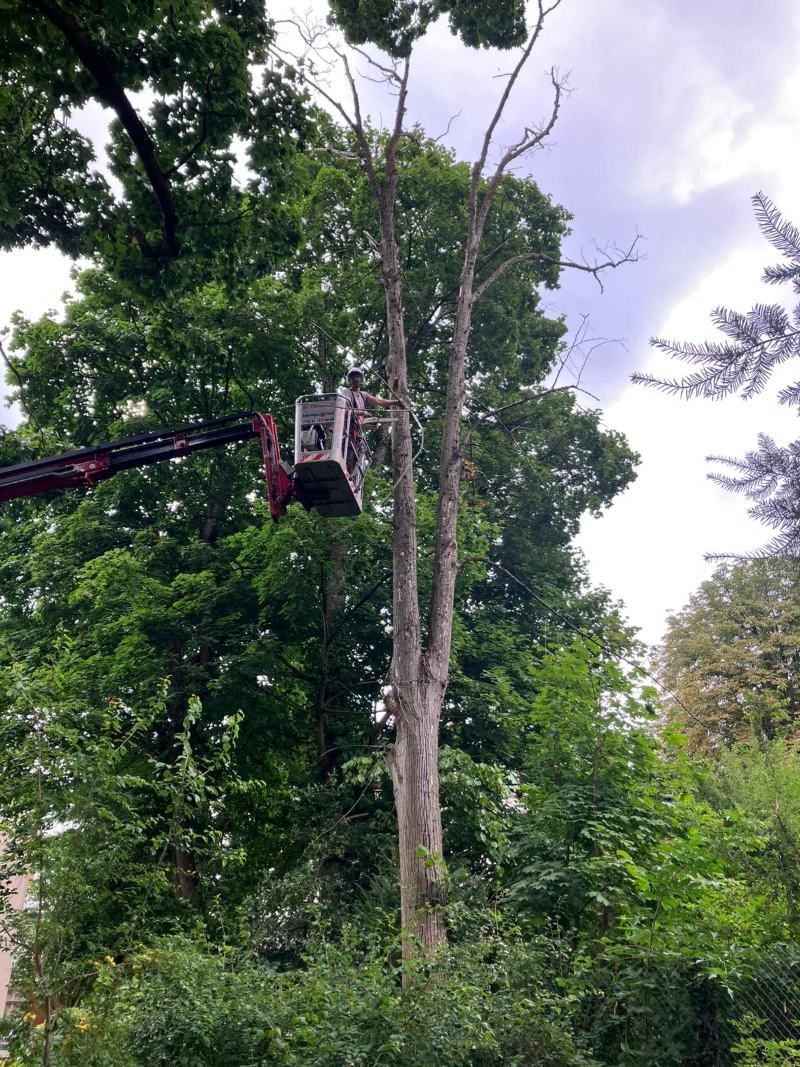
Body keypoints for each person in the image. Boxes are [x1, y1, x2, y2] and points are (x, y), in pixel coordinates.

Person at [339, 367, 398, 483]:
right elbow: (343, 410)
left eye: (358, 377)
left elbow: (379, 401)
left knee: (357, 454)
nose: (356, 379)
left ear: (361, 379)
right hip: (346, 428)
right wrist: (361, 412)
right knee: (348, 451)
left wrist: (394, 402)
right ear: (349, 380)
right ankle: (343, 471)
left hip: (356, 430)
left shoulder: (363, 395)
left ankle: (351, 477)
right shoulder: (346, 392)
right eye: (353, 377)